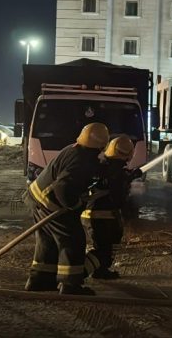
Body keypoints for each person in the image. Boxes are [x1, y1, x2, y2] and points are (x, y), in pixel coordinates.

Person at [24, 122, 109, 295]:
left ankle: (40, 280)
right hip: (50, 204)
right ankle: (70, 284)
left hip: (36, 198)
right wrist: (75, 204)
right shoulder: (82, 161)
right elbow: (62, 188)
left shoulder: (74, 149)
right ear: (102, 145)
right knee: (73, 239)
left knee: (48, 241)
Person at [83, 135, 134, 279]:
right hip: (104, 217)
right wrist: (126, 183)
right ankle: (79, 273)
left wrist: (127, 177)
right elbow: (118, 199)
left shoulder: (102, 166)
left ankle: (100, 270)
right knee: (105, 250)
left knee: (103, 247)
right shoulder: (117, 172)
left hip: (91, 213)